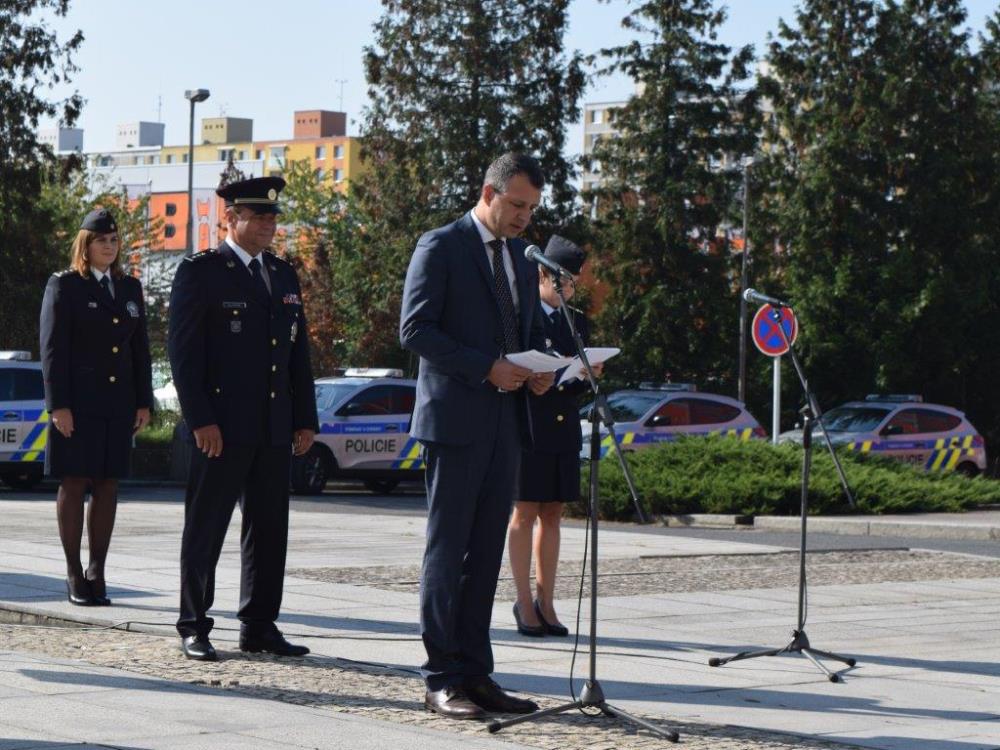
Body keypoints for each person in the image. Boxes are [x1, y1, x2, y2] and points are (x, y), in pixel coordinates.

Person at [400, 152, 555, 720]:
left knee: (486, 552)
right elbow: (415, 329)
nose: (523, 218)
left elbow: (525, 328)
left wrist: (538, 372)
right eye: (516, 205)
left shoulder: (519, 254)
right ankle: (440, 677)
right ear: (488, 192)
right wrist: (486, 366)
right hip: (454, 423)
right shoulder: (439, 246)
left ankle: (476, 672)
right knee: (448, 553)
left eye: (531, 209)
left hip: (506, 423)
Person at [167, 176, 318, 662]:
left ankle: (259, 624)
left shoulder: (283, 274)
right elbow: (184, 356)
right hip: (221, 429)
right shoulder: (202, 272)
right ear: (230, 218)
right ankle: (194, 623)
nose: (269, 226)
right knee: (206, 525)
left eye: (273, 218)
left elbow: (298, 355)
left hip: (274, 426)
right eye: (259, 217)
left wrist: (304, 418)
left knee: (269, 527)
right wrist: (200, 420)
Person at [39, 208, 153, 607]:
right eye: (102, 240)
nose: (110, 245)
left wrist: (144, 401)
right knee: (74, 482)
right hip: (78, 404)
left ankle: (97, 569)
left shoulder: (129, 288)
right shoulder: (65, 286)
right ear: (85, 246)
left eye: (114, 240)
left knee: (108, 484)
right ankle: (73, 570)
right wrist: (59, 405)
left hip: (118, 403)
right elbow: (53, 351)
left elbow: (141, 351)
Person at [507, 236, 600, 638]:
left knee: (553, 514)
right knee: (525, 513)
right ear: (543, 274)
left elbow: (574, 374)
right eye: (563, 281)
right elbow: (512, 366)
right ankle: (523, 601)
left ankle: (547, 600)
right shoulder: (521, 313)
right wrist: (533, 382)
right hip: (530, 425)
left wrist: (587, 375)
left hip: (563, 428)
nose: (569, 289)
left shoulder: (575, 322)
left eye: (573, 283)